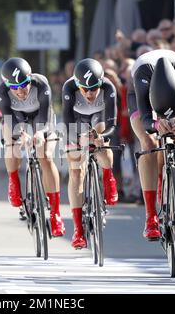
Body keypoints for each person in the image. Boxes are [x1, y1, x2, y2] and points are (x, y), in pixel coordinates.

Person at [127, 49, 175, 240]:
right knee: (148, 143)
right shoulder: (142, 73)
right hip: (140, 95)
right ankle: (150, 216)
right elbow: (145, 118)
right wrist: (156, 124)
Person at [0, 57, 65, 237]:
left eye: (24, 84)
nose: (20, 90)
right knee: (11, 143)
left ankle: (56, 214)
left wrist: (39, 133)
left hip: (41, 118)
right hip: (17, 119)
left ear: (30, 78)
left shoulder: (41, 85)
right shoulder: (2, 92)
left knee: (46, 157)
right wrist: (23, 134)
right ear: (7, 85)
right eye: (14, 87)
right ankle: (14, 183)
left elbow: (45, 115)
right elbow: (10, 119)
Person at [62, 58, 118, 249]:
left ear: (100, 82)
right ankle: (78, 229)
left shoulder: (109, 88)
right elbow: (68, 121)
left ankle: (108, 177)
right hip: (77, 122)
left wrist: (100, 137)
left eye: (94, 88)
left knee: (101, 140)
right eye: (84, 89)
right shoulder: (69, 88)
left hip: (99, 119)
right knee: (75, 168)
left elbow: (113, 124)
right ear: (78, 85)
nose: (89, 93)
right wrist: (77, 140)